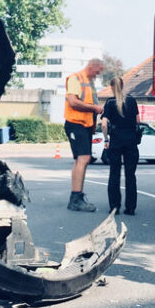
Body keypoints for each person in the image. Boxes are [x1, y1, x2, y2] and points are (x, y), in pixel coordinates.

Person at [63, 57, 105, 212]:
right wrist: (94, 109)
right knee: (84, 158)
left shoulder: (90, 83)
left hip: (84, 126)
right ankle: (76, 198)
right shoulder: (75, 78)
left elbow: (91, 104)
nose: (97, 74)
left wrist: (93, 127)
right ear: (91, 66)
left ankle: (75, 197)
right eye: (97, 71)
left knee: (80, 160)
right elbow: (73, 102)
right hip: (76, 123)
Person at [101, 76, 141, 215]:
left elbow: (104, 124)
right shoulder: (132, 100)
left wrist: (106, 139)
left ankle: (114, 206)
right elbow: (138, 121)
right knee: (130, 175)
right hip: (130, 141)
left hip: (116, 141)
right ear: (123, 86)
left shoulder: (109, 103)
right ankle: (130, 208)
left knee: (114, 174)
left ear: (111, 88)